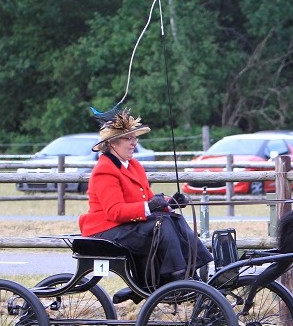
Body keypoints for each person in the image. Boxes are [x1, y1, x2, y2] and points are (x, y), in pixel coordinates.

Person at [78, 108, 213, 304]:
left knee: (172, 218)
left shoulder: (134, 165)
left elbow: (148, 198)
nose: (134, 143)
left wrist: (170, 203)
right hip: (105, 230)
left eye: (135, 138)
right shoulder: (104, 170)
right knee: (161, 225)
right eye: (128, 138)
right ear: (113, 143)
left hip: (126, 226)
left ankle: (193, 272)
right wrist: (150, 207)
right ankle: (176, 279)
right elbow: (115, 211)